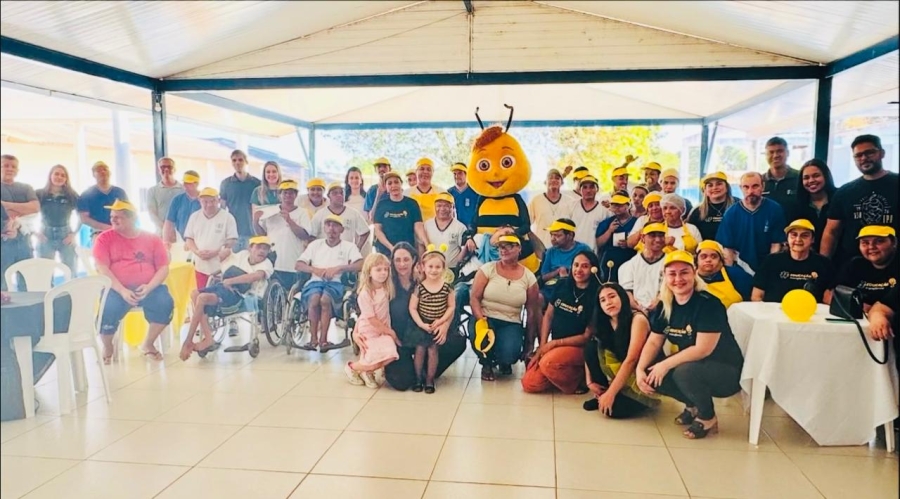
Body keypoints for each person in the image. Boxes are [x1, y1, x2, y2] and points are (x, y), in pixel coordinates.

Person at [636, 250, 744, 439]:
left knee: (683, 371)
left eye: (684, 272)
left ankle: (707, 417)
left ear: (694, 273)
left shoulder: (709, 304)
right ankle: (693, 406)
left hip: (727, 371)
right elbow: (654, 341)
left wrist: (664, 364)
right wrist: (640, 369)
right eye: (672, 274)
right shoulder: (664, 305)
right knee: (651, 372)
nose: (678, 279)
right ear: (665, 277)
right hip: (693, 365)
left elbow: (702, 349)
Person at [93, 200, 173, 363]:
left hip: (148, 287)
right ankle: (108, 346)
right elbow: (102, 269)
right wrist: (122, 290)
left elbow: (163, 268)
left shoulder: (152, 239)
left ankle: (148, 343)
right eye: (112, 217)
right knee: (108, 310)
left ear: (132, 218)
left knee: (165, 303)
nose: (113, 220)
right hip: (116, 288)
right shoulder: (104, 238)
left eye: (118, 217)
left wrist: (149, 287)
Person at [383, 242, 467, 391]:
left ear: (415, 260)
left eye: (406, 259)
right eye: (397, 260)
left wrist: (444, 325)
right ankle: (413, 373)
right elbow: (371, 311)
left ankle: (428, 375)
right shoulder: (387, 284)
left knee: (456, 342)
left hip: (428, 329)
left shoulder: (424, 280)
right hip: (399, 339)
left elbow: (450, 306)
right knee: (402, 382)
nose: (402, 264)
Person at [180, 236, 275, 360]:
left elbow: (254, 277)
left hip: (241, 295)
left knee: (202, 299)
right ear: (250, 248)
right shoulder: (242, 255)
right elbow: (224, 266)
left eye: (265, 249)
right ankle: (207, 337)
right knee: (194, 294)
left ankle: (189, 340)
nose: (262, 251)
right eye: (258, 247)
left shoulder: (266, 264)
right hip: (224, 287)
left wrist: (230, 281)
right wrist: (220, 261)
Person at [522, 250, 598, 394]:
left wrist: (554, 344)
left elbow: (587, 336)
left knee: (547, 363)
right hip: (556, 346)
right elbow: (548, 316)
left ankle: (577, 380)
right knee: (529, 383)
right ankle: (560, 371)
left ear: (593, 269)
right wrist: (542, 346)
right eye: (576, 265)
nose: (578, 270)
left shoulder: (597, 294)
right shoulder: (562, 285)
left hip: (580, 347)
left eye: (585, 266)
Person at [469, 235, 541, 381]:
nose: (504, 250)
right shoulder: (487, 269)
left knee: (509, 354)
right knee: (482, 338)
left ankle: (502, 360)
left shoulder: (529, 277)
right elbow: (474, 298)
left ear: (519, 248)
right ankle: (486, 363)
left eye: (509, 246)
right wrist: (481, 321)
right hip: (485, 317)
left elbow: (532, 312)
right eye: (501, 247)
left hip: (511, 321)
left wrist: (529, 344)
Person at [583, 282, 659, 417]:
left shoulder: (637, 319)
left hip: (640, 375)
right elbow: (590, 350)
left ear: (622, 297)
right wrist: (589, 382)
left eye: (612, 296)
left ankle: (612, 395)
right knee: (592, 346)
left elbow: (632, 359)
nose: (608, 302)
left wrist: (611, 394)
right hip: (621, 370)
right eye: (603, 300)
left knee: (614, 411)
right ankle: (602, 393)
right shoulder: (604, 321)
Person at [821, 134, 899, 261]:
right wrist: (823, 264)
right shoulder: (845, 192)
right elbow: (831, 232)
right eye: (858, 155)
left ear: (882, 153)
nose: (864, 158)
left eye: (869, 153)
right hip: (853, 265)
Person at [296, 214, 364, 352]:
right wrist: (315, 269)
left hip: (336, 282)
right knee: (314, 299)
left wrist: (339, 268)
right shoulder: (315, 245)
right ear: (324, 228)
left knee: (325, 300)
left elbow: (360, 264)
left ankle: (323, 340)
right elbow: (298, 265)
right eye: (328, 225)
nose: (331, 229)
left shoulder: (348, 246)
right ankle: (313, 339)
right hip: (315, 281)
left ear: (341, 230)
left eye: (335, 226)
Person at [346, 253, 401, 388]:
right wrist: (390, 332)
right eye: (378, 269)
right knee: (372, 358)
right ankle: (353, 368)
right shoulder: (365, 293)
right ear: (369, 272)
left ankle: (366, 371)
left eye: (386, 269)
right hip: (369, 329)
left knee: (390, 354)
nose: (383, 273)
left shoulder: (386, 288)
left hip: (382, 328)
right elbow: (369, 318)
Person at [406, 247, 456, 393]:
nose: (434, 270)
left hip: (437, 324)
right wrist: (421, 324)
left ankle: (429, 379)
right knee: (420, 350)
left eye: (438, 267)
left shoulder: (447, 287)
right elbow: (412, 308)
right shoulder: (420, 288)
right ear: (423, 267)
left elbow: (451, 306)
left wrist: (441, 321)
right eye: (430, 266)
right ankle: (418, 379)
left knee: (433, 351)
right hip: (422, 323)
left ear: (444, 268)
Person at [716, 172, 787, 274]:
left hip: (767, 267)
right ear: (740, 188)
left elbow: (776, 245)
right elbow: (728, 249)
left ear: (763, 186)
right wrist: (731, 274)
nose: (750, 191)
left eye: (755, 186)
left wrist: (770, 270)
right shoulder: (731, 213)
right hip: (740, 269)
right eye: (746, 187)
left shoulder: (774, 209)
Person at [751, 219, 835, 304]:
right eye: (794, 235)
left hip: (812, 312)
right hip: (776, 311)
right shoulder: (771, 261)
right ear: (787, 238)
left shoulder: (824, 264)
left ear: (812, 239)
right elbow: (756, 296)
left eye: (804, 235)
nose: (798, 239)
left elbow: (829, 300)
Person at [255, 180, 310, 291]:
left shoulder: (302, 212)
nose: (288, 195)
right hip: (273, 263)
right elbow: (262, 236)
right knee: (273, 294)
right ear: (279, 195)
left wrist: (289, 220)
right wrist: (255, 221)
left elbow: (304, 235)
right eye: (285, 192)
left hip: (292, 264)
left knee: (290, 294)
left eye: (291, 193)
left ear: (296, 195)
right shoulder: (270, 211)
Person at [183, 188, 238, 289]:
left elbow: (232, 240)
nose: (209, 204)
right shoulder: (194, 217)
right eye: (205, 201)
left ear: (218, 200)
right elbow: (189, 239)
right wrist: (197, 252)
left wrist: (216, 252)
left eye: (213, 201)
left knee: (218, 295)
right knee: (201, 293)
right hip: (200, 267)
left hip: (221, 268)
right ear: (199, 201)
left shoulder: (228, 217)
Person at [835, 225, 897, 311]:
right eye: (865, 243)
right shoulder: (855, 264)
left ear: (894, 242)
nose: (871, 247)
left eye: (879, 241)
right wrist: (861, 307)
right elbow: (829, 294)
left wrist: (879, 311)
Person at [1, 154, 39, 290]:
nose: (10, 169)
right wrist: (23, 209)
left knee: (26, 280)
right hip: (3, 241)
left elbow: (35, 208)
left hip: (24, 241)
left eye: (13, 166)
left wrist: (5, 205)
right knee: (2, 283)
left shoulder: (26, 188)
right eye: (6, 165)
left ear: (17, 170)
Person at [35, 164, 80, 274]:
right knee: (45, 272)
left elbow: (82, 216)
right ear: (50, 175)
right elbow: (28, 214)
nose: (59, 177)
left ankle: (71, 287)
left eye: (63, 175)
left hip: (65, 235)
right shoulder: (40, 194)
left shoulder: (71, 195)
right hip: (45, 235)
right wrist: (35, 233)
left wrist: (73, 234)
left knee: (71, 270)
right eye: (56, 174)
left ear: (66, 179)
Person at [538, 218, 591, 305]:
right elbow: (543, 277)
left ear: (570, 235)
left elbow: (591, 273)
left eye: (558, 236)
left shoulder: (583, 249)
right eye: (551, 235)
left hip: (573, 289)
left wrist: (568, 274)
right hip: (550, 289)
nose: (553, 239)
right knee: (537, 298)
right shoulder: (551, 251)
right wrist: (557, 271)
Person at [372, 171, 427, 255]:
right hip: (386, 252)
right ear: (386, 187)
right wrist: (391, 248)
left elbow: (418, 227)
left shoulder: (412, 203)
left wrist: (427, 243)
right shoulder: (381, 204)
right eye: (389, 183)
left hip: (408, 250)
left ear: (401, 184)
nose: (393, 185)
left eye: (396, 182)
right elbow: (377, 230)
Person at [789, 159, 836, 254]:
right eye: (806, 178)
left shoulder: (838, 199)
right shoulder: (796, 205)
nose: (811, 181)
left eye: (816, 176)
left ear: (825, 176)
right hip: (806, 256)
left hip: (838, 254)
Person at [619, 223, 667, 315]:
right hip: (635, 312)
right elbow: (627, 291)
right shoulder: (629, 265)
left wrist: (658, 302)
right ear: (642, 238)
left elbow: (668, 288)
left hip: (663, 310)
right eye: (652, 235)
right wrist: (638, 308)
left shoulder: (669, 262)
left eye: (661, 235)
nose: (658, 239)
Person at [219, 149, 261, 251]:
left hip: (253, 232)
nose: (237, 163)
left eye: (240, 160)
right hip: (233, 233)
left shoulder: (256, 183)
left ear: (246, 162)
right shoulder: (226, 184)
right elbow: (222, 209)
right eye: (234, 160)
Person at [310, 182, 369, 253]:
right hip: (324, 254)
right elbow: (311, 235)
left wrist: (357, 249)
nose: (339, 195)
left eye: (341, 193)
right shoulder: (320, 214)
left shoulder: (353, 213)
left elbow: (365, 231)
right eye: (335, 193)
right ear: (328, 196)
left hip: (346, 255)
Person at [77, 160, 128, 239]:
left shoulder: (120, 192)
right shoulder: (86, 194)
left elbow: (128, 213)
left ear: (110, 173)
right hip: (98, 232)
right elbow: (84, 218)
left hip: (120, 231)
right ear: (93, 175)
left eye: (105, 169)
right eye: (99, 170)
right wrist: (108, 228)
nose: (103, 172)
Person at [528, 168, 576, 250]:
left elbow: (574, 227)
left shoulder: (570, 201)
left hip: (563, 249)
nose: (553, 180)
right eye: (550, 178)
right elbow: (527, 223)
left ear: (562, 182)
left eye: (557, 178)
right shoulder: (536, 200)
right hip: (541, 249)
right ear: (545, 182)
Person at [695, 240, 752, 308]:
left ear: (721, 261)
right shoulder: (692, 279)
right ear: (697, 261)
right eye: (703, 256)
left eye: (714, 256)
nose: (708, 260)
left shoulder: (736, 274)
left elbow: (751, 301)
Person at [596, 192, 637, 283]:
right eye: (614, 205)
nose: (617, 207)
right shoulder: (606, 223)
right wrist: (609, 230)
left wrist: (628, 243)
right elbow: (598, 243)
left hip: (630, 259)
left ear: (628, 205)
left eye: (620, 205)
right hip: (610, 262)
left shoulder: (636, 222)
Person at [687, 172, 737, 242]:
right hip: (707, 248)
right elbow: (691, 235)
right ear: (705, 190)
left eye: (719, 184)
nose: (714, 188)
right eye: (710, 185)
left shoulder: (738, 206)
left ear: (727, 188)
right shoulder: (697, 211)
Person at [423, 193, 469, 268]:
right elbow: (421, 246)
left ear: (452, 207)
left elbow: (464, 250)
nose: (442, 209)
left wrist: (458, 267)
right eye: (439, 206)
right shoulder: (427, 225)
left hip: (452, 269)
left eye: (446, 206)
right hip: (431, 269)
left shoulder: (460, 227)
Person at [570, 175, 611, 253]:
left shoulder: (604, 211)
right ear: (580, 190)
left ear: (597, 189)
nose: (588, 190)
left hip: (592, 253)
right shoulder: (571, 206)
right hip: (572, 252)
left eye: (592, 187)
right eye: (585, 187)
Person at [761, 136, 800, 215]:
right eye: (771, 152)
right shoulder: (760, 181)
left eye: (780, 151)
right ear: (766, 155)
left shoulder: (800, 178)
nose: (775, 155)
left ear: (787, 153)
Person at [146, 157, 184, 236]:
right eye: (163, 167)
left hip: (182, 234)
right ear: (158, 170)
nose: (166, 169)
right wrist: (167, 229)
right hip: (161, 235)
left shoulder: (184, 189)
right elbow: (152, 214)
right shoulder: (152, 191)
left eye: (169, 167)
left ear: (174, 169)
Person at [163, 171, 201, 248]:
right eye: (184, 183)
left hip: (201, 240)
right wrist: (166, 241)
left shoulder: (205, 200)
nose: (185, 186)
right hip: (181, 240)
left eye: (189, 183)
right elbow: (169, 223)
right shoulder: (177, 200)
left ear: (196, 184)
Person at [408, 157, 445, 222]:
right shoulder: (407, 193)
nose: (425, 172)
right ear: (416, 172)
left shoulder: (441, 192)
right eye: (422, 169)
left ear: (433, 173)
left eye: (429, 169)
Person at [250, 161, 282, 232]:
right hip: (264, 231)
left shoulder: (285, 191)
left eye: (274, 171)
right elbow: (255, 219)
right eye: (268, 172)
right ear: (264, 174)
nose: (271, 174)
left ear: (278, 173)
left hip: (283, 231)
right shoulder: (257, 192)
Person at [448, 162, 478, 227]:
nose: (457, 176)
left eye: (460, 173)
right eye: (454, 174)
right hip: (454, 229)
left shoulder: (475, 192)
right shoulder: (449, 193)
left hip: (471, 229)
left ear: (466, 174)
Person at [364, 157, 392, 222]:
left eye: (384, 166)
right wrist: (378, 195)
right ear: (375, 170)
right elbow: (370, 218)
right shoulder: (371, 190)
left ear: (390, 169)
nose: (382, 169)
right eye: (379, 167)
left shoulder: (396, 189)